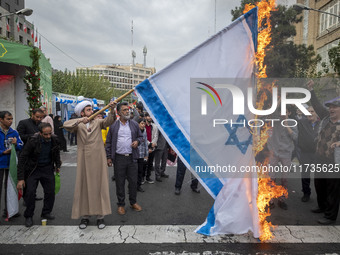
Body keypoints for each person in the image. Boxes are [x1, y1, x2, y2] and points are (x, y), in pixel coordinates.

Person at [63, 100, 116, 230]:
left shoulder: (98, 122)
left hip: (98, 159)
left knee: (99, 186)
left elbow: (109, 121)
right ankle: (85, 216)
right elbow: (66, 125)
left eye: (91, 109)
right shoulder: (79, 125)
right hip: (84, 161)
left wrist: (112, 109)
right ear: (82, 113)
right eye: (88, 110)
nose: (91, 112)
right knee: (84, 187)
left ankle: (100, 216)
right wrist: (81, 121)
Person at [308, 80, 340, 225]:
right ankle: (322, 206)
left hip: (334, 161)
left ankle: (330, 216)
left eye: (335, 107)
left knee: (333, 189)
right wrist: (311, 90)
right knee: (319, 184)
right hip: (320, 157)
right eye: (330, 107)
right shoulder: (326, 118)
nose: (331, 109)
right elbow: (316, 104)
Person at [17, 123, 61, 228]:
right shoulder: (32, 141)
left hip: (47, 168)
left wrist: (57, 164)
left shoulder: (54, 139)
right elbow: (22, 158)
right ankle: (28, 216)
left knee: (50, 192)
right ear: (40, 133)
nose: (48, 136)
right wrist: (21, 178)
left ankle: (46, 212)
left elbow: (56, 152)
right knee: (30, 193)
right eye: (45, 134)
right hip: (33, 169)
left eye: (50, 134)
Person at [106, 102, 143, 215]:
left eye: (128, 110)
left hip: (132, 158)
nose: (127, 112)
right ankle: (121, 204)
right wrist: (108, 157)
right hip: (119, 159)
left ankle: (133, 202)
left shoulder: (134, 124)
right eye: (124, 110)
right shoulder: (113, 126)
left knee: (133, 182)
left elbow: (140, 137)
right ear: (118, 112)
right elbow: (108, 143)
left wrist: (137, 141)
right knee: (120, 182)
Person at [267, 105, 298, 210]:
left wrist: (286, 124)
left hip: (286, 154)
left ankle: (282, 199)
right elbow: (270, 112)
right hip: (274, 153)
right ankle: (270, 199)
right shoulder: (274, 121)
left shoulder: (293, 123)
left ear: (289, 113)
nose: (282, 114)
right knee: (271, 177)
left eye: (285, 112)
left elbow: (295, 137)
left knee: (284, 178)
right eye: (281, 112)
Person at [17, 108, 45, 201]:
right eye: (37, 117)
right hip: (26, 154)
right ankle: (26, 198)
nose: (39, 119)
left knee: (35, 177)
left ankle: (33, 194)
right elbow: (19, 136)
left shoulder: (41, 125)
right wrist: (33, 136)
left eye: (41, 117)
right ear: (32, 115)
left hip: (37, 154)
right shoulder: (23, 123)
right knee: (27, 177)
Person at [0, 111, 23, 219]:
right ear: (1, 119)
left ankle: (9, 211)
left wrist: (15, 144)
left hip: (11, 163)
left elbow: (20, 145)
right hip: (1, 163)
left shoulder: (14, 132)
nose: (11, 121)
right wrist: (2, 152)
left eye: (11, 119)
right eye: (8, 119)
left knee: (10, 187)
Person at [297, 106, 320, 202]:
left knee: (319, 176)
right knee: (305, 174)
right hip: (305, 153)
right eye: (308, 111)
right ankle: (306, 193)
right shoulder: (302, 123)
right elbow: (294, 118)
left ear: (316, 113)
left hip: (317, 154)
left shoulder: (321, 123)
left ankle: (321, 197)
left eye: (312, 111)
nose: (310, 113)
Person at [144, 113, 158, 184]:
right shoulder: (142, 125)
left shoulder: (155, 126)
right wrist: (149, 144)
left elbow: (156, 136)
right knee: (143, 164)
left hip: (152, 148)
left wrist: (152, 146)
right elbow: (142, 137)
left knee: (150, 164)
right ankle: (142, 178)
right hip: (144, 148)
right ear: (146, 117)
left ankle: (148, 177)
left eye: (151, 116)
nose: (150, 118)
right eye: (148, 116)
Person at [136, 118, 148, 192]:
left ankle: (138, 186)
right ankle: (131, 187)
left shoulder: (145, 132)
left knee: (140, 171)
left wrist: (146, 154)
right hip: (135, 154)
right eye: (141, 123)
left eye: (144, 124)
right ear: (138, 124)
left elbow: (146, 143)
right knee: (133, 172)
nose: (143, 125)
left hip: (141, 155)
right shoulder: (134, 131)